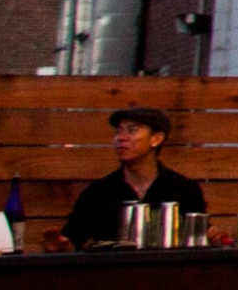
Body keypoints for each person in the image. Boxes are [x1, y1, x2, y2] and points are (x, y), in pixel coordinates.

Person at [60, 105, 206, 247]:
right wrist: (60, 245)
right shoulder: (98, 193)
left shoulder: (184, 189)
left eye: (132, 130)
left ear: (156, 139)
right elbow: (72, 240)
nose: (121, 138)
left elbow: (199, 239)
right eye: (118, 131)